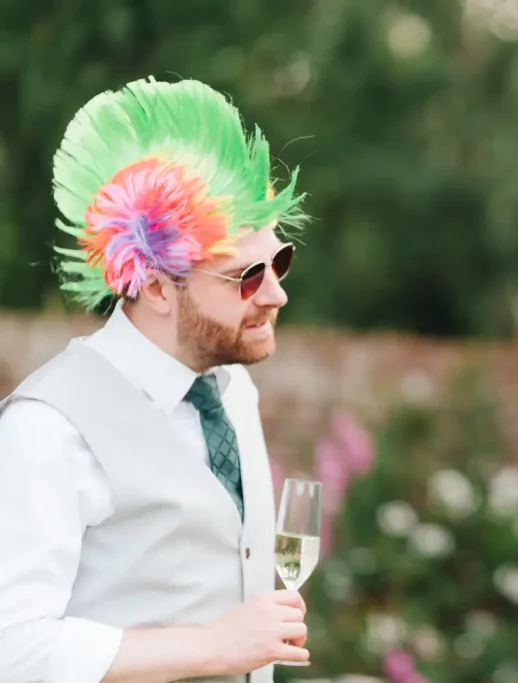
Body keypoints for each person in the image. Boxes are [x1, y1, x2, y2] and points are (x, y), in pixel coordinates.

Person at [0, 77, 313, 683]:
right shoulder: (48, 427)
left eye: (280, 261)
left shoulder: (233, 391)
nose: (276, 293)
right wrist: (214, 647)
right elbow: (11, 648)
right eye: (247, 275)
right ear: (155, 286)